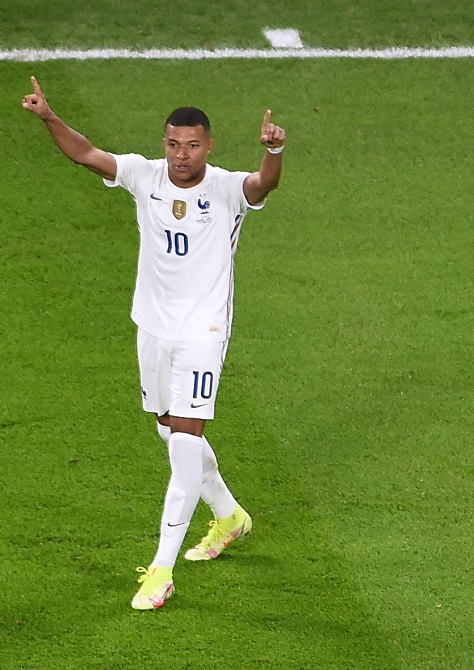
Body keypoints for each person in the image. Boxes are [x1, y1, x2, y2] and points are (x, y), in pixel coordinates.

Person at [22, 76, 285, 610]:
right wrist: (49, 117)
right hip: (153, 326)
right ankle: (230, 516)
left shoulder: (226, 189)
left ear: (208, 146)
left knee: (185, 442)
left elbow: (263, 185)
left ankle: (162, 569)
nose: (181, 155)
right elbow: (87, 154)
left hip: (203, 332)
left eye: (191, 145)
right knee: (168, 430)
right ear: (163, 143)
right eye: (172, 144)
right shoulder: (145, 176)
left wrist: (274, 151)